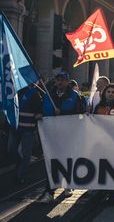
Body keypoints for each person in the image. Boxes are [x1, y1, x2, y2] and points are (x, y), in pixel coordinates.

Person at [40, 71, 86, 203]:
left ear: (67, 81)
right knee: (51, 161)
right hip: (51, 134)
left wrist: (63, 112)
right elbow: (43, 109)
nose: (60, 82)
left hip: (68, 134)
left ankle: (67, 184)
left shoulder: (75, 96)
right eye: (58, 80)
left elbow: (79, 113)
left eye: (62, 80)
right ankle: (49, 191)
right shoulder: (49, 94)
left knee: (67, 160)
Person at [9, 84, 43, 185]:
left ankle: (19, 175)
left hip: (28, 129)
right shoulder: (16, 92)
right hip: (16, 129)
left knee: (25, 155)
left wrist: (39, 115)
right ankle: (19, 172)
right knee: (14, 151)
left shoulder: (34, 93)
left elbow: (39, 110)